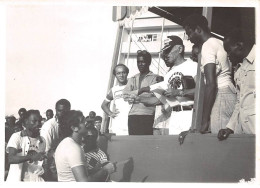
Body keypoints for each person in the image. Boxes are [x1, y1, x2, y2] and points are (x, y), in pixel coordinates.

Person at [183, 14, 236, 134]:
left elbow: (211, 84)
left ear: (198, 29)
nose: (189, 37)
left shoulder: (207, 46)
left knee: (219, 145)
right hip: (230, 92)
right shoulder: (220, 42)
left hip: (221, 94)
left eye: (189, 32)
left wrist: (205, 120)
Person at [135, 36, 197, 135]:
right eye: (164, 52)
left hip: (189, 113)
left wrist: (179, 92)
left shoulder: (193, 66)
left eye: (168, 51)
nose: (166, 55)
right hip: (175, 116)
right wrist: (138, 100)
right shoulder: (168, 74)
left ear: (180, 49)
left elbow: (202, 90)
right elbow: (161, 99)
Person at [218, 28, 255, 140]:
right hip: (244, 131)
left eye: (229, 51)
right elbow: (240, 101)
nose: (228, 55)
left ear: (239, 45)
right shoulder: (239, 68)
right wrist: (230, 127)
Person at [55, 110, 109, 182]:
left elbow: (74, 174)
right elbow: (83, 183)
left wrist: (95, 170)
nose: (86, 124)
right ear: (74, 128)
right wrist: (105, 170)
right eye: (83, 122)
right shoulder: (73, 148)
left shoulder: (66, 144)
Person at [123, 50, 159, 135]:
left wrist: (134, 95)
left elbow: (155, 97)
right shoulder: (133, 78)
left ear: (149, 62)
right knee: (133, 144)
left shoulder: (155, 78)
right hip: (132, 115)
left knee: (145, 144)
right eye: (138, 62)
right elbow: (125, 95)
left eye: (143, 62)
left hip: (148, 115)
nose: (140, 64)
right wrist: (142, 90)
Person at [6, 110, 46, 182]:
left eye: (39, 121)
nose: (38, 124)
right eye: (34, 121)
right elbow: (11, 158)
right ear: (26, 122)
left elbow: (40, 163)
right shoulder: (17, 137)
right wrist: (31, 157)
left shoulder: (42, 140)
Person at [40, 98, 71, 181]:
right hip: (50, 163)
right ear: (56, 111)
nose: (62, 114)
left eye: (65, 112)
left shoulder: (70, 125)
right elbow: (46, 152)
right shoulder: (48, 127)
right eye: (59, 111)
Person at [101, 64, 131, 135]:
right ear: (115, 75)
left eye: (123, 72)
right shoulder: (114, 89)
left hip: (131, 121)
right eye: (118, 73)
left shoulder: (132, 86)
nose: (121, 75)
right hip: (118, 124)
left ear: (127, 73)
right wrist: (110, 113)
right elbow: (103, 105)